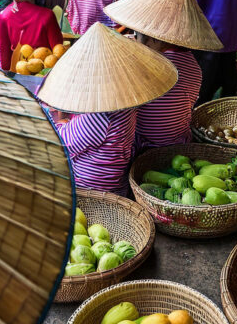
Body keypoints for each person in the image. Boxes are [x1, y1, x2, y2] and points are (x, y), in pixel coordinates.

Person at [37, 23, 177, 195]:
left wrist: (59, 121)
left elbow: (64, 144)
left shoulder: (100, 116)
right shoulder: (128, 105)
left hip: (90, 189)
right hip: (116, 183)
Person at [104, 0, 223, 152]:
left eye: (139, 36)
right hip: (180, 141)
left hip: (146, 145)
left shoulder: (149, 65)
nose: (137, 40)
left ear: (156, 39)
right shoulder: (193, 65)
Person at [0, 0, 63, 71]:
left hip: (18, 73)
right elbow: (58, 52)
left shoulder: (3, 15)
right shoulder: (47, 15)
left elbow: (5, 58)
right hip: (45, 74)